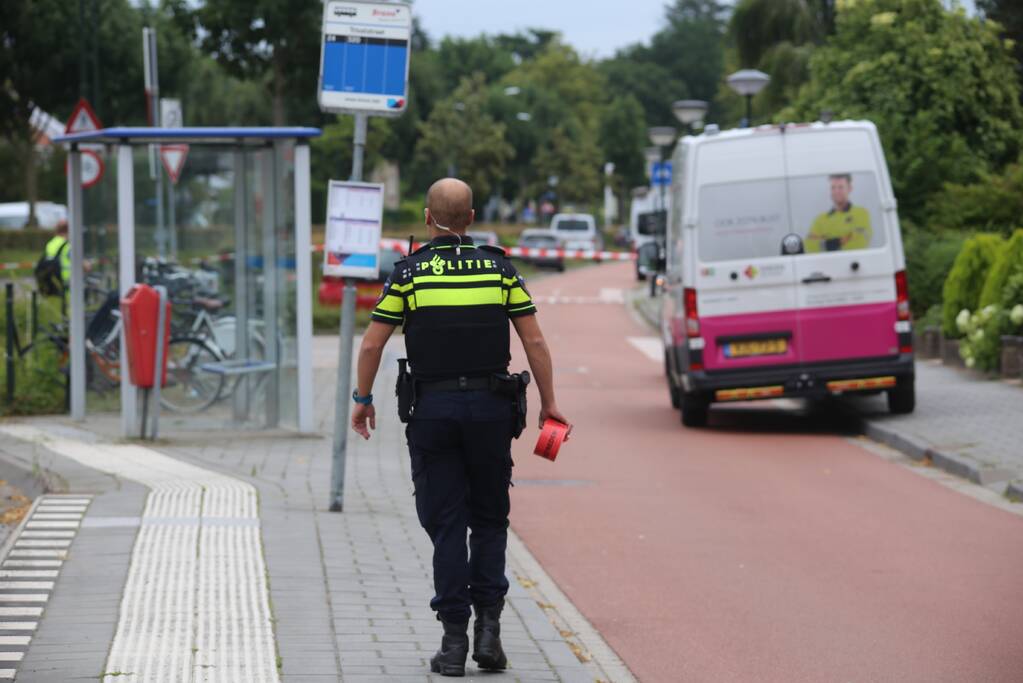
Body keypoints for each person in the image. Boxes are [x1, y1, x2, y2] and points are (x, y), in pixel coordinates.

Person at [350, 178, 571, 677]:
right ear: (471, 218)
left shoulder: (408, 274)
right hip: (492, 412)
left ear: (428, 219)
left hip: (433, 412)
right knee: (490, 520)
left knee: (446, 524)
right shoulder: (500, 269)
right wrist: (550, 404)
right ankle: (488, 633)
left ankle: (453, 643)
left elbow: (372, 344)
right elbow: (534, 342)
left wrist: (363, 400)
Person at [805, 173, 872, 252]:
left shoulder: (861, 213)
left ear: (849, 188)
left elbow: (860, 242)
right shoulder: (820, 219)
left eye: (840, 187)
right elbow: (808, 246)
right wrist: (843, 239)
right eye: (833, 187)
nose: (836, 191)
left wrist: (824, 240)